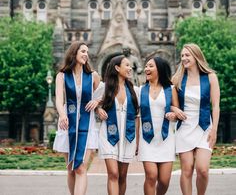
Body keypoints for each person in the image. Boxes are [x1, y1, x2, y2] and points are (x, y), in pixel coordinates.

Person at [53, 41, 101, 195]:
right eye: (83, 51)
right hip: (68, 124)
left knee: (80, 167)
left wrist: (97, 101)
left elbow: (104, 93)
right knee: (71, 169)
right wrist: (62, 115)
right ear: (74, 53)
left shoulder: (93, 76)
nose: (86, 54)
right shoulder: (62, 76)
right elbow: (59, 100)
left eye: (87, 51)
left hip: (87, 125)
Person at [172, 43, 220, 195]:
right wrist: (174, 109)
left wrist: (214, 129)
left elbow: (216, 106)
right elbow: (170, 104)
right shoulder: (177, 79)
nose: (184, 58)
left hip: (205, 126)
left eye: (187, 55)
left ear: (196, 56)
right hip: (184, 128)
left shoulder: (211, 77)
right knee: (186, 170)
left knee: (203, 170)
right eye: (182, 56)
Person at [96, 55, 139, 195]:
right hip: (108, 134)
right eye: (126, 65)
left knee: (122, 175)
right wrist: (98, 109)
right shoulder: (104, 87)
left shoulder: (134, 90)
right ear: (117, 68)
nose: (130, 68)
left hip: (127, 135)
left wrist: (137, 141)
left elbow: (137, 116)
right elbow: (91, 103)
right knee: (113, 174)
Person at [138, 56, 179, 195]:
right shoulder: (140, 90)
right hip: (147, 139)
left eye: (150, 66)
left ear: (159, 69)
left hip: (166, 138)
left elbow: (176, 110)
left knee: (164, 181)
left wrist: (173, 115)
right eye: (146, 66)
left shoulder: (170, 89)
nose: (146, 69)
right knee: (151, 176)